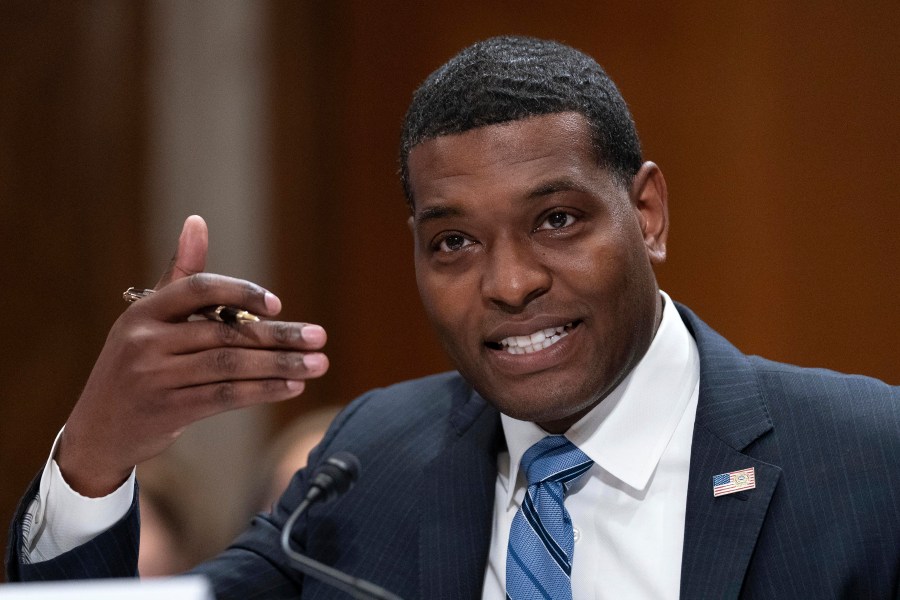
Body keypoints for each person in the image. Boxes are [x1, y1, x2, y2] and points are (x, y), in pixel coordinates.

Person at [6, 36, 899, 599]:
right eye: (454, 244)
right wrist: (97, 450)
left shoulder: (866, 458)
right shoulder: (375, 460)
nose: (508, 284)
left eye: (557, 221)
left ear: (649, 213)